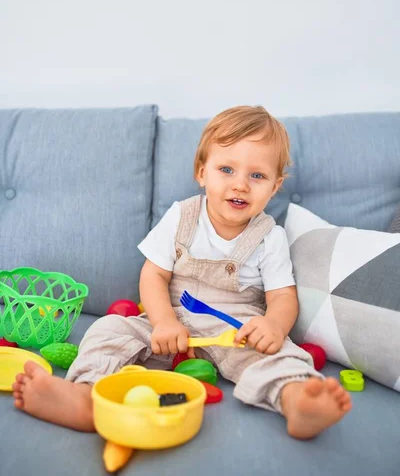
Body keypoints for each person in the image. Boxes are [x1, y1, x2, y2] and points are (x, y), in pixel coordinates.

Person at [12, 105, 351, 439]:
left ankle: (298, 401)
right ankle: (86, 396)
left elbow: (282, 296)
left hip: (235, 329)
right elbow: (154, 276)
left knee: (279, 355)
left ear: (275, 186)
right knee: (110, 329)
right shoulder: (181, 217)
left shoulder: (270, 237)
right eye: (227, 170)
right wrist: (162, 322)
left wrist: (274, 325)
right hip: (170, 322)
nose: (241, 185)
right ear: (202, 172)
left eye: (257, 175)